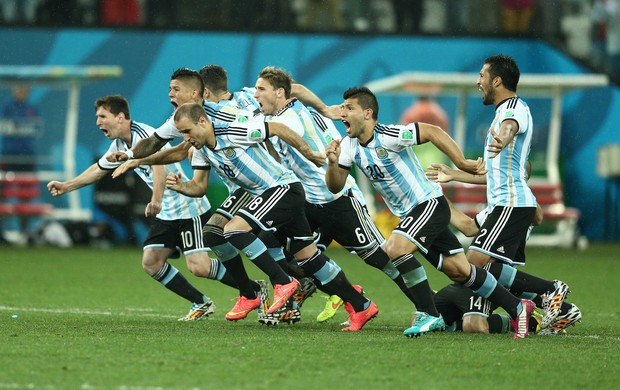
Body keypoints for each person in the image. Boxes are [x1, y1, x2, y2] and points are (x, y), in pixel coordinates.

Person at [325, 86, 536, 339]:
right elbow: (335, 186)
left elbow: (432, 131)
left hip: (429, 205)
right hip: (413, 215)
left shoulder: (389, 135)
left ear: (368, 113)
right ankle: (517, 307)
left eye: (350, 108)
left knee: (394, 248)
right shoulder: (347, 146)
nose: (342, 112)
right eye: (342, 107)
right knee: (460, 270)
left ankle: (429, 312)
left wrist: (461, 163)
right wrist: (332, 163)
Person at [153, 102, 379, 331]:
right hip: (273, 196)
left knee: (232, 230)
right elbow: (199, 187)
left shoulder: (233, 132)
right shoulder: (202, 150)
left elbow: (277, 128)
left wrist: (310, 153)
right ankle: (361, 304)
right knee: (310, 260)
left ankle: (282, 282)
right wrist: (183, 187)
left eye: (188, 131)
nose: (185, 137)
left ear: (202, 121)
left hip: (284, 189)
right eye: (181, 132)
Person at [46, 94, 249, 321]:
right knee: (151, 263)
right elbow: (98, 169)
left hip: (186, 205)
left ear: (120, 117)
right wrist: (66, 186)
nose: (98, 122)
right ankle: (201, 302)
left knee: (199, 267)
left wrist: (156, 199)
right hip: (167, 211)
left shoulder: (144, 135)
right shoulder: (120, 145)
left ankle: (251, 289)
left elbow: (158, 167)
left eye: (102, 116)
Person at [253, 67, 425, 327]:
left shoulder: (287, 121)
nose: (256, 95)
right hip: (311, 203)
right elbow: (295, 88)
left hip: (340, 200)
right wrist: (324, 109)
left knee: (382, 260)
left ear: (279, 94)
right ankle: (345, 298)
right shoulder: (293, 105)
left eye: (260, 90)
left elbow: (276, 126)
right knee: (271, 241)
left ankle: (430, 305)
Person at [1, 85, 39, 173]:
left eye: (23, 88)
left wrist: (19, 127)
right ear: (13, 90)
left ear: (28, 91)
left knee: (27, 182)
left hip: (27, 154)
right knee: (5, 183)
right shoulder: (6, 107)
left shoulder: (32, 108)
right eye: (18, 88)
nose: (21, 91)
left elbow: (37, 127)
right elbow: (4, 126)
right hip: (9, 154)